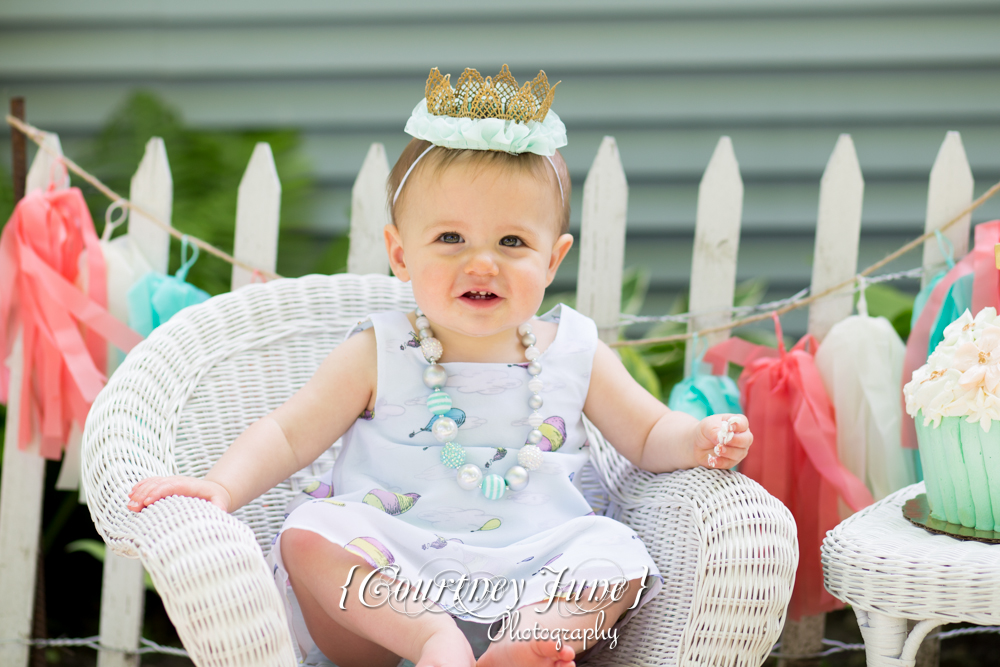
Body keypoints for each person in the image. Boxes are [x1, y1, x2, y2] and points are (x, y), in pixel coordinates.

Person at [127, 66, 753, 667]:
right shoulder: (381, 348)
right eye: (450, 239)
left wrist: (695, 437)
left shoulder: (573, 350)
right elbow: (290, 433)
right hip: (384, 588)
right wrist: (223, 487)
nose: (482, 264)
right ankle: (436, 643)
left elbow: (646, 435)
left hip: (532, 568)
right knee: (308, 532)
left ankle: (524, 648)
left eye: (512, 242)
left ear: (554, 260)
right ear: (400, 252)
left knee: (618, 556)